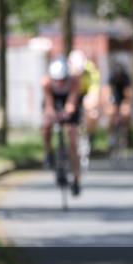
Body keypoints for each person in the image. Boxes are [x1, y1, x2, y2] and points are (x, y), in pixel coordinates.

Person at [41, 57, 82, 195]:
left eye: (62, 80)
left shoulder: (74, 82)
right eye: (56, 80)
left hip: (68, 104)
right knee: (46, 126)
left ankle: (76, 179)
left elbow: (72, 102)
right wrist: (52, 115)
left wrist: (67, 113)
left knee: (72, 138)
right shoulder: (46, 82)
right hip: (53, 102)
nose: (59, 83)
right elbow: (48, 104)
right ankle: (48, 151)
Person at [68, 49, 101, 136]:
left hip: (86, 93)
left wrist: (90, 101)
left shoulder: (91, 70)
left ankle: (90, 136)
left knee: (92, 113)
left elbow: (94, 91)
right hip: (72, 94)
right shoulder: (65, 72)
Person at [107, 62, 133, 148]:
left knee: (126, 113)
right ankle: (111, 136)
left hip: (124, 97)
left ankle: (126, 133)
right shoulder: (112, 78)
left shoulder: (126, 78)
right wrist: (110, 103)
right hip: (115, 97)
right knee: (111, 114)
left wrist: (126, 103)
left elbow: (128, 93)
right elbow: (108, 91)